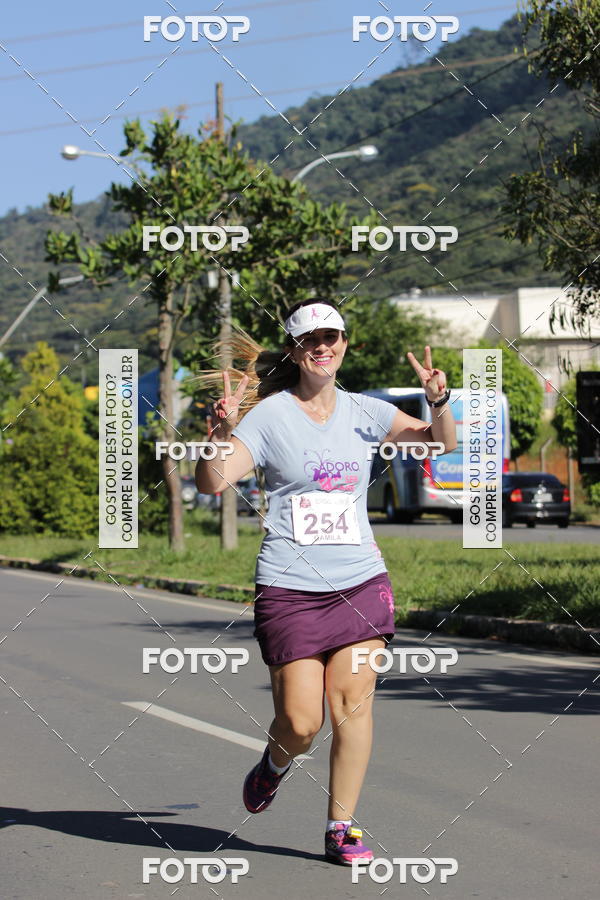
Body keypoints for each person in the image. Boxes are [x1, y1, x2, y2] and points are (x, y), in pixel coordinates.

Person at [195, 298, 457, 865]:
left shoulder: (368, 411)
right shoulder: (268, 416)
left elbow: (438, 444)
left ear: (344, 343)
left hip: (360, 580)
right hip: (289, 587)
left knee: (351, 705)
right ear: (294, 348)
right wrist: (218, 432)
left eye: (332, 335)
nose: (323, 345)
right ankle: (274, 763)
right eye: (310, 337)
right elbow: (214, 481)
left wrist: (439, 401)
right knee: (300, 721)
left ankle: (342, 827)